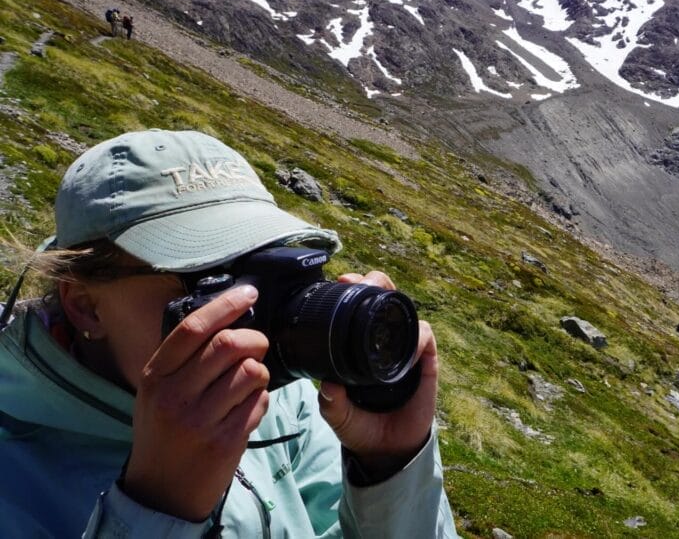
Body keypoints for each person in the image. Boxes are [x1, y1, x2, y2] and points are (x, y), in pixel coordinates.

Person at [0, 129, 456, 537]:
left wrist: (390, 469)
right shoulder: (16, 479)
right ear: (85, 305)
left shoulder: (280, 402)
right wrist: (157, 506)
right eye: (210, 277)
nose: (251, 307)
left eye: (264, 262)